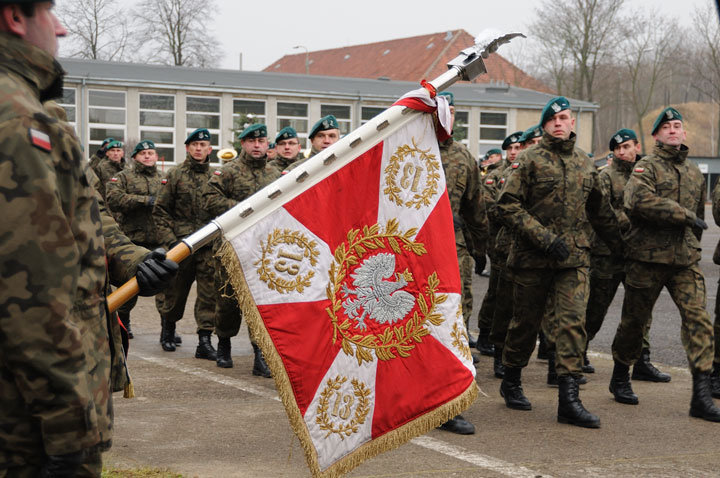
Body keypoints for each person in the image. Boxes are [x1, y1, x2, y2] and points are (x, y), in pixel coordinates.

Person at [0, 2, 177, 474]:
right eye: (49, 12)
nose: (61, 27)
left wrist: (134, 260)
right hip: (28, 411)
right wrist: (69, 426)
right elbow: (27, 289)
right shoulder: (16, 118)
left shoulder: (39, 111)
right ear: (15, 17)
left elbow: (87, 216)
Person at [496, 96, 619, 428]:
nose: (559, 123)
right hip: (533, 259)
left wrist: (622, 244)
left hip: (574, 260)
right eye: (553, 119)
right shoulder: (530, 160)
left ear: (573, 122)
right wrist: (545, 238)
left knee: (571, 323)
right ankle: (511, 380)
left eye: (564, 117)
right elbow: (507, 205)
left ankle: (569, 399)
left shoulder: (584, 162)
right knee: (525, 324)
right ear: (545, 125)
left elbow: (600, 211)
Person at [610, 107, 720, 422]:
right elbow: (638, 203)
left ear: (684, 133)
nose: (673, 130)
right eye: (666, 127)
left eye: (677, 125)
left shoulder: (694, 172)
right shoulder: (646, 167)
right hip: (648, 258)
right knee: (634, 322)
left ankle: (700, 395)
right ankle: (620, 374)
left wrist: (693, 242)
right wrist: (681, 214)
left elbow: (699, 212)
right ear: (657, 135)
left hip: (684, 261)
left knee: (699, 321)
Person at [582, 129, 669, 381]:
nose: (622, 152)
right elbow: (604, 210)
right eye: (617, 149)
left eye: (626, 147)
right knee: (595, 308)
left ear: (636, 146)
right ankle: (577, 356)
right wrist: (635, 222)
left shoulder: (646, 174)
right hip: (607, 253)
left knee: (640, 311)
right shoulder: (606, 176)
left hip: (638, 254)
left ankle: (641, 361)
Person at [204, 123, 280, 373]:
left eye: (261, 141)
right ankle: (224, 344)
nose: (257, 145)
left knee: (260, 301)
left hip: (264, 248)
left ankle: (260, 355)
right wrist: (243, 210)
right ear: (243, 144)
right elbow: (210, 200)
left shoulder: (274, 173)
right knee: (227, 301)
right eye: (251, 141)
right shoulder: (228, 172)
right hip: (232, 247)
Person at [435, 91, 488, 435]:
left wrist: (483, 247)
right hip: (411, 252)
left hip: (454, 251)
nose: (446, 117)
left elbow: (475, 209)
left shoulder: (463, 158)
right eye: (441, 111)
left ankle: (450, 405)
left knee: (456, 325)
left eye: (451, 112)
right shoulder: (407, 151)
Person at [154, 128, 219, 358]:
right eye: (194, 145)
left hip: (208, 245)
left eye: (203, 146)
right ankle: (168, 328)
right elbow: (160, 210)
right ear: (187, 148)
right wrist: (170, 242)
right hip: (181, 245)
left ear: (210, 149)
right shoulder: (175, 174)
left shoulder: (216, 175)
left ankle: (204, 340)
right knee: (175, 292)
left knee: (208, 295)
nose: (199, 149)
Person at [105, 140, 166, 339]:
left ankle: (167, 329)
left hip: (159, 239)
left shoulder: (164, 178)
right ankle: (124, 321)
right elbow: (113, 198)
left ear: (156, 157)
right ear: (134, 158)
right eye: (143, 154)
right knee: (129, 288)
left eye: (151, 153)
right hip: (131, 240)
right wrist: (144, 201)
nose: (147, 156)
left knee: (165, 287)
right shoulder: (123, 177)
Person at [476, 132, 522, 358]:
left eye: (518, 148)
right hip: (500, 243)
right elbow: (490, 208)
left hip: (525, 244)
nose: (514, 152)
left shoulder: (528, 171)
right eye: (510, 149)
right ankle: (486, 333)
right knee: (497, 292)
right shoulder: (495, 176)